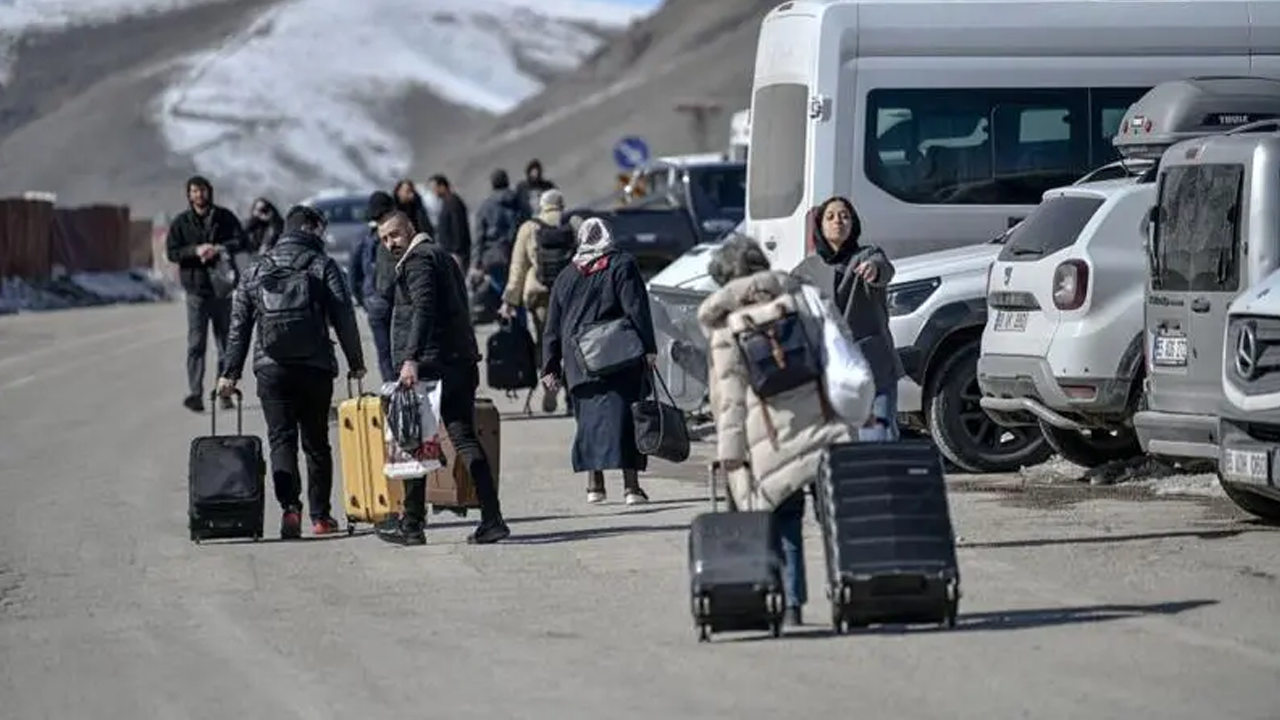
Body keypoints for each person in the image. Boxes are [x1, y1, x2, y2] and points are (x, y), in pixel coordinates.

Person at [697, 234, 865, 627]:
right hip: (828, 427)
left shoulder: (727, 327)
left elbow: (731, 402)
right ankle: (854, 594)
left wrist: (731, 455)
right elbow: (842, 349)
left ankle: (792, 604)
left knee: (785, 521)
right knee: (838, 520)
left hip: (771, 441)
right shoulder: (805, 299)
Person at [216, 205, 366, 539]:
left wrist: (230, 372)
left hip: (271, 369)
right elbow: (344, 316)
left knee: (281, 439)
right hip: (315, 366)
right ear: (311, 229)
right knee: (316, 442)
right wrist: (355, 361)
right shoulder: (323, 265)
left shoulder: (256, 269)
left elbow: (239, 325)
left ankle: (290, 510)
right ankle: (321, 517)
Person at [375, 211, 510, 546]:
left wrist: (410, 359)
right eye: (384, 239)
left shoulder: (419, 260)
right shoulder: (443, 258)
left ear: (411, 230)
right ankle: (492, 519)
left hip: (431, 365)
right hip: (458, 363)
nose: (390, 243)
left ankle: (412, 525)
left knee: (414, 442)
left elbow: (424, 308)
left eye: (394, 235)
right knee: (463, 437)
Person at [541, 217, 656, 505]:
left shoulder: (567, 275)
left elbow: (552, 325)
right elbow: (636, 308)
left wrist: (550, 365)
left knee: (588, 422)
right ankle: (631, 488)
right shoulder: (622, 264)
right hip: (619, 357)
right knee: (626, 419)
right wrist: (649, 347)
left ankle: (595, 485)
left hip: (579, 361)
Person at [793, 195, 902, 440]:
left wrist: (874, 270)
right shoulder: (807, 269)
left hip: (872, 366)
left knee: (876, 437)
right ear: (820, 225)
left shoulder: (867, 256)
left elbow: (883, 268)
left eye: (844, 216)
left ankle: (888, 476)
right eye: (830, 217)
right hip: (830, 372)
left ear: (853, 223)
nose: (838, 221)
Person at [165, 175, 248, 413]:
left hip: (222, 289)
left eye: (202, 190)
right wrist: (195, 250)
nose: (199, 195)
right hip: (196, 291)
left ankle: (224, 393)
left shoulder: (224, 218)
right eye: (194, 191)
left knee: (225, 345)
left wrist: (219, 249)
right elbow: (172, 252)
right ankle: (196, 393)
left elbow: (242, 240)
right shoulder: (182, 222)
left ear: (209, 192)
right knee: (196, 344)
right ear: (189, 195)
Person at [500, 189, 576, 412]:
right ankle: (572, 395)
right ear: (561, 204)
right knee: (571, 344)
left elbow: (518, 267)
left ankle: (550, 387)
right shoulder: (574, 223)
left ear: (542, 205)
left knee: (546, 346)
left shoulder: (529, 227)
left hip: (539, 295)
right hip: (569, 293)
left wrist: (509, 301)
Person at [348, 191, 399, 382]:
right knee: (403, 350)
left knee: (384, 352)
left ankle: (391, 391)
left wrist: (364, 300)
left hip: (374, 302)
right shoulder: (397, 233)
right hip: (398, 300)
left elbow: (353, 275)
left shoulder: (362, 237)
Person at [472, 169, 528, 318]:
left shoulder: (485, 206)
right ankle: (521, 330)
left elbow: (479, 237)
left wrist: (476, 263)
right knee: (517, 293)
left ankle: (507, 329)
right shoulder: (518, 202)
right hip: (516, 253)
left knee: (502, 293)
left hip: (493, 257)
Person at [427, 174, 471, 270]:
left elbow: (458, 228)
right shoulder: (446, 202)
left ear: (442, 187)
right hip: (449, 252)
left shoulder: (454, 203)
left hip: (456, 253)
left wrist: (457, 251)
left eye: (434, 188)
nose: (433, 192)